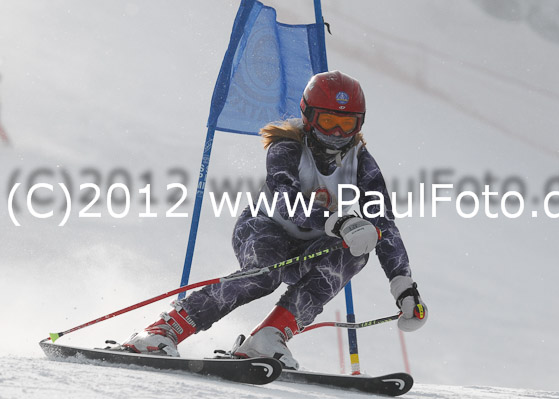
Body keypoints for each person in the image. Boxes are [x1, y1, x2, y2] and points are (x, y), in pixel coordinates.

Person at [122, 71, 428, 369]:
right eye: (328, 121)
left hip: (313, 246)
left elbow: (384, 224)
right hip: (263, 227)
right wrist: (339, 222)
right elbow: (286, 201)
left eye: (346, 123)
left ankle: (269, 337)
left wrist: (404, 288)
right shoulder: (288, 146)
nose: (337, 133)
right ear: (308, 116)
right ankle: (164, 330)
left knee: (355, 251)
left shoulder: (362, 163)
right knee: (264, 275)